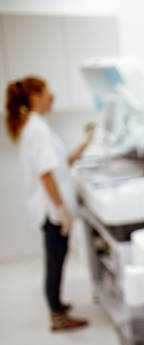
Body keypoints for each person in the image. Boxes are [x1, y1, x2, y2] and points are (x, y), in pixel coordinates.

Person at [5, 76, 92, 331]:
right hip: (50, 211)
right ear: (35, 97)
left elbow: (60, 163)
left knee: (56, 258)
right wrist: (61, 210)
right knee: (55, 261)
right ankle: (56, 316)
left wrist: (85, 142)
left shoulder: (35, 126)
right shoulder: (38, 129)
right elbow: (46, 174)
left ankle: (57, 305)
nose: (51, 98)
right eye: (47, 93)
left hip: (47, 209)